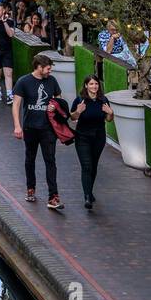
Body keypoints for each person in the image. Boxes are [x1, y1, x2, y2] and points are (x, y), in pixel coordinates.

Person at [11, 54, 66, 210]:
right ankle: (30, 189)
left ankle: (53, 197)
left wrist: (56, 106)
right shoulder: (24, 82)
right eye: (48, 68)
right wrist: (17, 126)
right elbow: (16, 105)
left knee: (50, 161)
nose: (49, 71)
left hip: (48, 129)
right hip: (30, 128)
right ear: (39, 67)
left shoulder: (52, 81)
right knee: (30, 158)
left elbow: (59, 100)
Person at [68, 75, 114, 210]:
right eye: (91, 84)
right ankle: (87, 196)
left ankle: (90, 190)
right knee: (86, 165)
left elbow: (109, 119)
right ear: (86, 86)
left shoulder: (103, 100)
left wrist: (111, 113)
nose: (94, 86)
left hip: (98, 137)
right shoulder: (80, 100)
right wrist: (78, 111)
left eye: (96, 84)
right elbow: (72, 117)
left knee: (93, 166)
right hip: (82, 137)